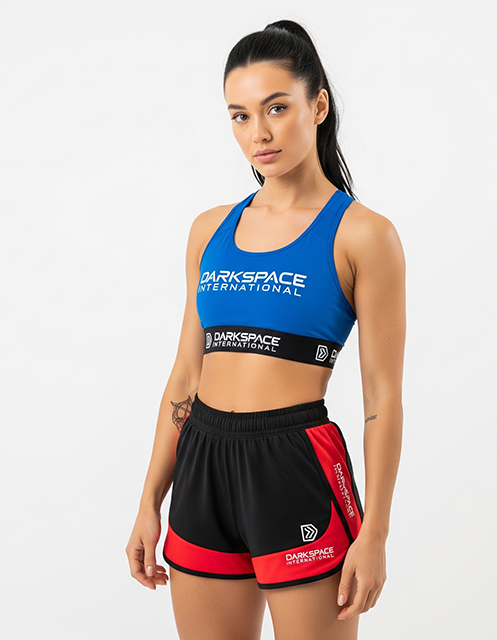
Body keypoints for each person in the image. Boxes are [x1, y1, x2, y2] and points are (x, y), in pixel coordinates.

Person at [125, 19, 405, 640]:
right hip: (202, 462)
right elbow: (187, 374)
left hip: (294, 465)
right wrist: (150, 499)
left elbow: (383, 398)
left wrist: (376, 533)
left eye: (277, 108)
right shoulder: (209, 230)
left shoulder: (363, 235)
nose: (259, 133)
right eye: (240, 116)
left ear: (318, 106)